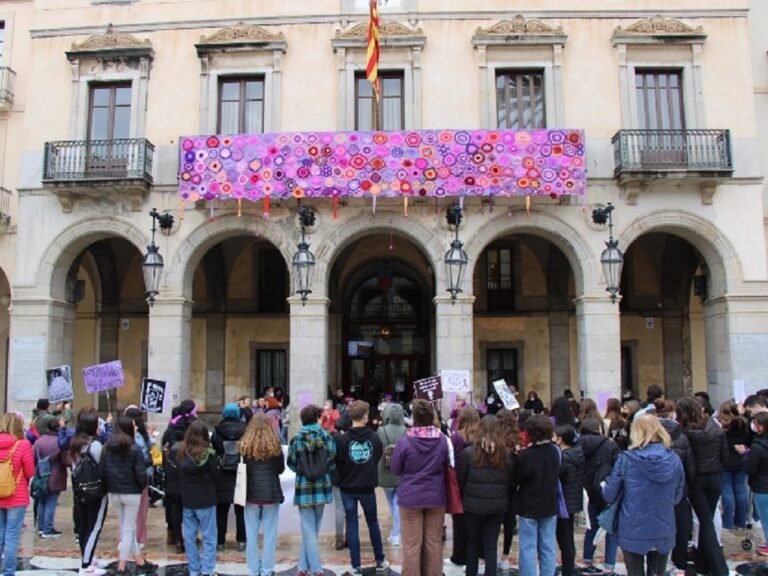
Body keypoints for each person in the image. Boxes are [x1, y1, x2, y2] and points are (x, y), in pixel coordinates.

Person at [602, 414, 685, 576]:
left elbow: (609, 495)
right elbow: (677, 496)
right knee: (658, 572)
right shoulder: (674, 459)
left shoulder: (626, 459)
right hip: (663, 524)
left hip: (632, 525)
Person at [390, 399, 449, 576]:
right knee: (433, 542)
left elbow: (395, 468)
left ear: (414, 417)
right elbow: (446, 465)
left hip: (411, 497)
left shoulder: (405, 441)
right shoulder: (442, 440)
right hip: (435, 496)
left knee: (411, 543)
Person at [676, 396, 729, 576]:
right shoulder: (715, 427)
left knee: (705, 522)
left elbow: (688, 460)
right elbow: (725, 455)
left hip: (698, 479)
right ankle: (703, 564)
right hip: (714, 476)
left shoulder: (686, 433)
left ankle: (719, 568)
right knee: (706, 520)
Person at [334, 400, 389, 574]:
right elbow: (377, 456)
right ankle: (380, 560)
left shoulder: (342, 440)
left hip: (348, 486)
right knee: (373, 523)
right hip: (366, 486)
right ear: (365, 417)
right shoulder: (374, 438)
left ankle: (355, 565)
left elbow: (338, 462)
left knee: (352, 525)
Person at [100, 416, 157, 576]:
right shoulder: (134, 447)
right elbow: (140, 472)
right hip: (131, 491)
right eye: (134, 426)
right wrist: (141, 486)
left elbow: (103, 469)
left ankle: (139, 560)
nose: (136, 428)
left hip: (115, 491)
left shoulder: (107, 446)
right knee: (128, 529)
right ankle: (122, 565)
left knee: (127, 527)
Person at [457, 415, 514, 576]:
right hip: (497, 505)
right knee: (491, 546)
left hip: (473, 504)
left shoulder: (469, 452)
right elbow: (510, 480)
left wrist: (465, 498)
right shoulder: (506, 454)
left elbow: (461, 479)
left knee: (474, 543)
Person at [288, 404, 336, 576]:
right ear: (316, 418)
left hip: (303, 487)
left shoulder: (296, 439)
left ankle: (304, 567)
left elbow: (292, 463)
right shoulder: (327, 437)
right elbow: (332, 461)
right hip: (322, 486)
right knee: (313, 529)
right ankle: (315, 569)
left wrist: (303, 471)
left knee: (309, 529)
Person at [514, 414, 560, 576]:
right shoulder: (555, 452)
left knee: (527, 547)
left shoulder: (525, 456)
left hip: (528, 505)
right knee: (548, 546)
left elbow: (517, 479)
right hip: (549, 503)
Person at [240, 413, 285, 576]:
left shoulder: (245, 445)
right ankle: (266, 570)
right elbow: (280, 469)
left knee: (251, 535)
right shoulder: (275, 444)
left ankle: (253, 570)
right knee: (270, 535)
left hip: (250, 493)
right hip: (270, 494)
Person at [654, 399, 695, 576]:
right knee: (681, 525)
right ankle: (679, 563)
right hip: (679, 489)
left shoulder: (650, 437)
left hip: (656, 490)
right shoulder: (682, 437)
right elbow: (690, 467)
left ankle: (657, 564)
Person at [178, 420, 222, 576]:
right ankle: (207, 570)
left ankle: (194, 569)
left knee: (190, 538)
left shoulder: (182, 454)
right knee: (209, 537)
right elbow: (217, 477)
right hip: (206, 500)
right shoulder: (208, 455)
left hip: (188, 501)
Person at [69, 411, 109, 576]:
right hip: (96, 491)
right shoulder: (95, 446)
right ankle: (86, 565)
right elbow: (102, 467)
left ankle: (88, 557)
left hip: (79, 489)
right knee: (94, 527)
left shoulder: (74, 444)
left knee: (84, 526)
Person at [580, 417, 620, 575]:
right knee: (611, 527)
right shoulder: (610, 444)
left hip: (587, 491)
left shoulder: (579, 443)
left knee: (591, 528)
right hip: (606, 488)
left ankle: (587, 562)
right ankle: (609, 566)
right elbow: (618, 467)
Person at [0, 413, 35, 576]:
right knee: (12, 536)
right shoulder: (23, 444)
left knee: (0, 532)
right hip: (17, 495)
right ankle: (8, 572)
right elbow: (30, 471)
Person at [211, 402, 247, 552]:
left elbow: (215, 446)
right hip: (239, 470)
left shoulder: (218, 430)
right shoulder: (245, 429)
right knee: (240, 509)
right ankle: (241, 540)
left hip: (222, 471)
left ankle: (220, 541)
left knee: (221, 509)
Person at [448, 406, 481, 567]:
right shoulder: (481, 437)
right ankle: (474, 554)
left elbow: (452, 462)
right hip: (478, 484)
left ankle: (459, 556)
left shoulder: (456, 438)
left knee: (459, 522)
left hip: (461, 485)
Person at [555, 425, 584, 576]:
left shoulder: (564, 458)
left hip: (564, 501)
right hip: (572, 500)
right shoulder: (577, 454)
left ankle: (568, 569)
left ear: (560, 439)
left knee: (564, 538)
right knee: (568, 537)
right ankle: (569, 566)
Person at [377, 402, 407, 547]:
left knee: (392, 503)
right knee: (397, 503)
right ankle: (396, 533)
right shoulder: (405, 430)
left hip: (385, 468)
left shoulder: (381, 430)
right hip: (401, 469)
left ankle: (395, 533)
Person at [717, 400, 750, 531]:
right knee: (741, 491)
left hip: (725, 462)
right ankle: (741, 521)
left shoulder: (721, 427)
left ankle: (728, 523)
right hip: (740, 461)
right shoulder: (744, 423)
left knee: (727, 492)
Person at [497, 409, 522, 572]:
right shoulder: (516, 439)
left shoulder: (496, 439)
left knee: (494, 521)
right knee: (509, 522)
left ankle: (488, 556)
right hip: (513, 485)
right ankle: (505, 557)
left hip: (498, 484)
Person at [124, 408, 153, 549]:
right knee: (140, 510)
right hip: (139, 477)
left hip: (124, 479)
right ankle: (138, 537)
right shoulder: (139, 437)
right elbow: (143, 457)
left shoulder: (119, 436)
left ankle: (125, 538)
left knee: (125, 512)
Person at [34, 418, 66, 538]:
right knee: (51, 502)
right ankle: (48, 529)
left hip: (40, 474)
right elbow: (64, 460)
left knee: (42, 501)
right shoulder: (59, 442)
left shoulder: (38, 441)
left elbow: (33, 458)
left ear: (47, 428)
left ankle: (41, 527)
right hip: (55, 474)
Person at [746, 412, 768, 555]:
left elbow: (750, 469)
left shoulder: (758, 446)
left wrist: (745, 455)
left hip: (762, 487)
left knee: (766, 520)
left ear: (760, 426)